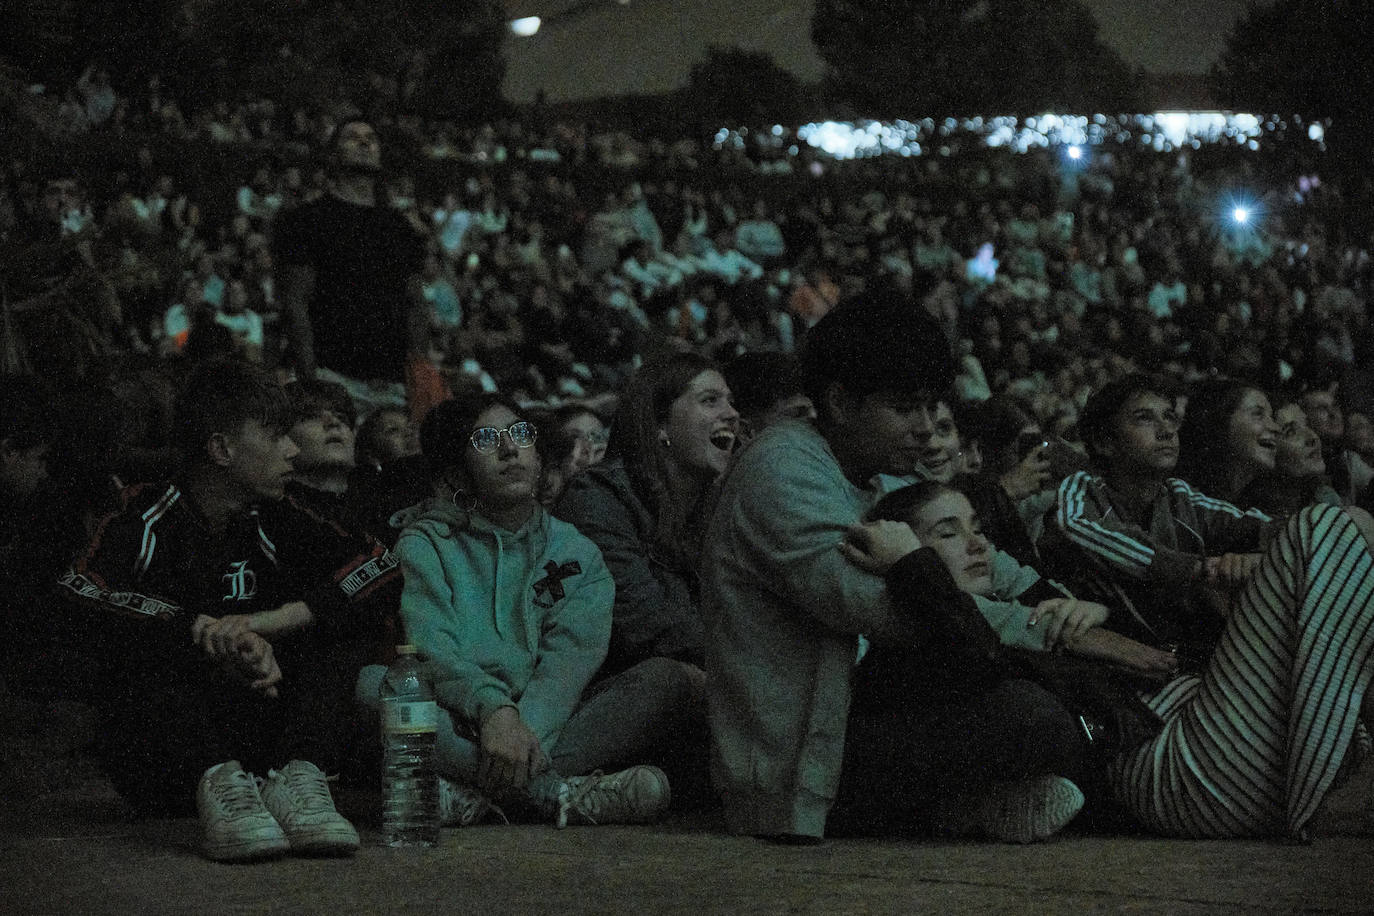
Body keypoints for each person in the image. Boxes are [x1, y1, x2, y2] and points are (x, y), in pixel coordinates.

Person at [703, 290, 1090, 843]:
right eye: (905, 408)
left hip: (861, 718)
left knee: (1051, 699)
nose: (926, 428)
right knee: (1033, 716)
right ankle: (957, 809)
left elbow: (992, 567)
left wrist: (1072, 608)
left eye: (931, 407)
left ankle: (964, 809)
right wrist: (1057, 633)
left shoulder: (880, 469)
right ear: (840, 403)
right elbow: (893, 610)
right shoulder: (782, 472)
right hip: (802, 765)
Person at [875, 475, 1374, 840]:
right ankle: (1317, 792)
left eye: (977, 527)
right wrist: (911, 564)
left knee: (1345, 528)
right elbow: (976, 648)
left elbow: (1028, 585)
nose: (977, 541)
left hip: (1201, 726)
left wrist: (1095, 610)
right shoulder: (938, 624)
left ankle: (1331, 773)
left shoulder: (1025, 602)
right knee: (1329, 526)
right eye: (947, 532)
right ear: (906, 551)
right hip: (1173, 764)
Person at [56, 360, 404, 861]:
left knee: (343, 637)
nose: (292, 450)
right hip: (169, 761)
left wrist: (268, 625)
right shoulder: (145, 515)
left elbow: (381, 567)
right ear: (221, 449)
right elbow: (80, 590)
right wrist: (199, 631)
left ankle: (298, 778)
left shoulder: (277, 512)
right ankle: (223, 787)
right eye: (277, 435)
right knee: (139, 644)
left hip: (264, 742)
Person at [359, 393, 676, 828]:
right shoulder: (427, 542)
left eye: (521, 434)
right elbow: (432, 647)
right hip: (460, 716)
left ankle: (477, 794)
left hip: (544, 726)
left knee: (666, 680)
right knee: (375, 685)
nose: (510, 449)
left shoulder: (576, 552)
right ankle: (556, 795)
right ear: (458, 469)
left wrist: (517, 732)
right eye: (487, 439)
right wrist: (493, 712)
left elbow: (566, 668)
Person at [1039, 374, 1274, 667]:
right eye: (1144, 418)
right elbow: (1077, 527)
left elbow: (1253, 524)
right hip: (1117, 670)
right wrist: (1196, 569)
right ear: (1105, 442)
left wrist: (1308, 529)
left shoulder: (1180, 496)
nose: (1166, 431)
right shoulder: (1083, 488)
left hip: (1187, 663)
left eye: (1170, 418)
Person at [555, 352, 738, 680]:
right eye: (710, 401)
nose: (732, 414)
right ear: (660, 425)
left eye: (730, 401)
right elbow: (647, 625)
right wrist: (752, 664)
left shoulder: (714, 504)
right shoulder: (598, 498)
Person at [274, 119, 432, 414]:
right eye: (352, 137)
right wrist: (312, 381)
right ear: (334, 154)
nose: (364, 143)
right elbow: (295, 301)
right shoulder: (307, 220)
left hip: (394, 385)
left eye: (371, 137)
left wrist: (419, 377)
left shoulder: (401, 228)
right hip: (333, 378)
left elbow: (415, 304)